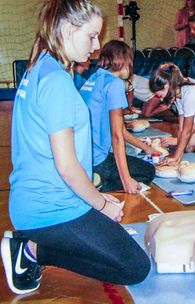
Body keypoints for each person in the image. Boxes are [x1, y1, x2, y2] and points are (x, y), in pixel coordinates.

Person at [1, 0, 149, 295]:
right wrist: (101, 204)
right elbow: (67, 166)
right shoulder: (56, 80)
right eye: (92, 36)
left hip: (44, 200)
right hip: (51, 209)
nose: (96, 47)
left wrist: (95, 197)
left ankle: (34, 245)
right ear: (69, 30)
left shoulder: (40, 67)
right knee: (135, 267)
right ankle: (32, 250)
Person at [80, 40, 157, 193]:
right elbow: (116, 135)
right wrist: (126, 179)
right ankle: (100, 183)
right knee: (148, 171)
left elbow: (120, 130)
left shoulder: (94, 78)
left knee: (130, 157)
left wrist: (147, 148)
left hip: (83, 157)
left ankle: (93, 178)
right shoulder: (115, 83)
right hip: (97, 160)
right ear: (123, 61)